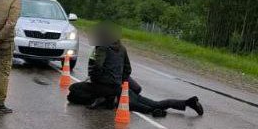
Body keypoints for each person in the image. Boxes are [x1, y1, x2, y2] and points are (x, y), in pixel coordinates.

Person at [67, 24, 204, 117]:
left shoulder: (102, 47)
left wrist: (97, 80)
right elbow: (128, 69)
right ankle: (187, 102)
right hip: (120, 86)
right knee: (152, 102)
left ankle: (152, 111)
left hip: (107, 87)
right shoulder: (122, 48)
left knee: (73, 89)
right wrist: (121, 82)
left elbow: (97, 67)